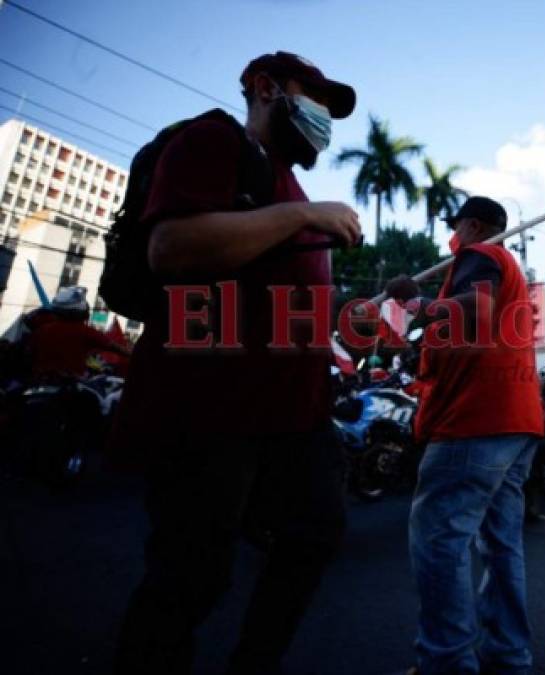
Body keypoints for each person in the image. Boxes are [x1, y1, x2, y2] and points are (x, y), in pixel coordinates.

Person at [112, 52, 362, 675]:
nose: (323, 118)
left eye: (332, 111)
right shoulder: (215, 142)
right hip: (209, 412)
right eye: (315, 99)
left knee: (315, 536)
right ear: (266, 88)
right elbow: (172, 248)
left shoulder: (293, 185)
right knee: (191, 580)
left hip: (294, 419)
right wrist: (304, 216)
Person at [385, 196, 543, 675]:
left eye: (456, 227)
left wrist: (413, 301)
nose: (452, 238)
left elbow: (474, 308)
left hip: (473, 421)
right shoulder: (506, 266)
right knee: (501, 546)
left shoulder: (482, 256)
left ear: (472, 226)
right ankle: (508, 655)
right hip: (514, 422)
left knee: (439, 542)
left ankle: (447, 662)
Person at [24, 287, 130, 380]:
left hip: (37, 384)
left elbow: (28, 353)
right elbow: (118, 349)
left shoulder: (41, 330)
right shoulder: (86, 331)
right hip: (69, 388)